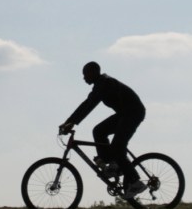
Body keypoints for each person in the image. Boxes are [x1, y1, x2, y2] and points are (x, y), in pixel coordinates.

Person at [59, 61, 147, 198]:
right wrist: (68, 122)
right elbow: (87, 103)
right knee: (99, 131)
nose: (84, 78)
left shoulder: (105, 83)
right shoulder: (100, 84)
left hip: (133, 113)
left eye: (85, 74)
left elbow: (90, 104)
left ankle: (135, 182)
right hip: (124, 114)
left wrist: (71, 123)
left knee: (118, 147)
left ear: (94, 72)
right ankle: (113, 165)